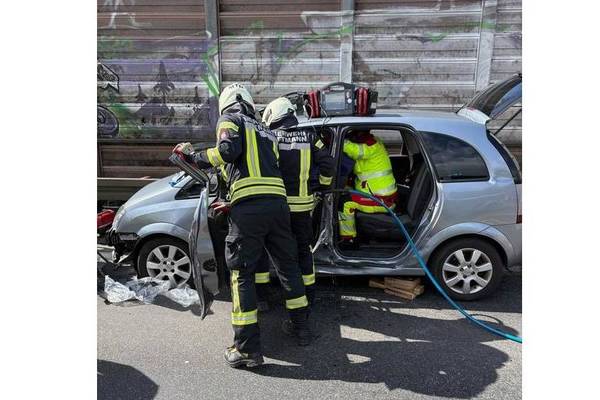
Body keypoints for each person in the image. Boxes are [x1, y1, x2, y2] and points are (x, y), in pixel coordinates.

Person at [172, 84, 312, 369]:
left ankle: (247, 349)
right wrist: (232, 199)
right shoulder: (266, 131)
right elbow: (258, 169)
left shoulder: (230, 119)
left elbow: (226, 152)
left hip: (249, 211)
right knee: (288, 268)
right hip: (278, 206)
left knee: (242, 275)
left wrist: (194, 157)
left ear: (226, 104)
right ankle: (302, 329)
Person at [254, 97, 334, 311]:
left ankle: (263, 297)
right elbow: (328, 164)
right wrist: (322, 186)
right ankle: (308, 295)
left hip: (277, 207)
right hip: (303, 208)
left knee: (266, 248)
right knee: (303, 250)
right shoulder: (310, 137)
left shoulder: (270, 137)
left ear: (274, 115)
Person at [338, 130, 397, 248]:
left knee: (345, 202)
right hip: (377, 195)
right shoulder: (372, 141)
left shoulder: (371, 145)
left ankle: (348, 240)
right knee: (343, 191)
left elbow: (355, 151)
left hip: (381, 200)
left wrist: (339, 141)